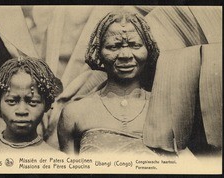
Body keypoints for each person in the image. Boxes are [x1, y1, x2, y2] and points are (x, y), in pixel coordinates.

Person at [57, 10, 162, 155]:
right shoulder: (74, 114)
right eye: (114, 46)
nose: (125, 55)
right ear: (98, 51)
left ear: (148, 49)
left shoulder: (165, 110)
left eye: (135, 45)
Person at [0, 56, 64, 172]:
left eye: (33, 102)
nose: (21, 111)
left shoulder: (56, 161)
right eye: (11, 101)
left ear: (47, 105)